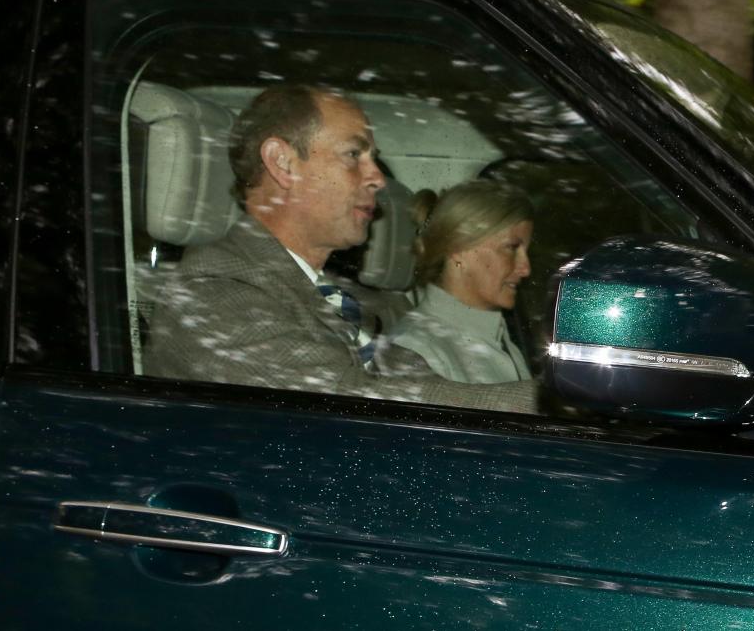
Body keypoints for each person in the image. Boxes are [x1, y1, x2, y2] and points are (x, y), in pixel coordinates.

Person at [145, 85, 538, 414]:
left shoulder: (333, 299)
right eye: (354, 155)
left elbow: (422, 386)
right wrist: (558, 400)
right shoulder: (214, 293)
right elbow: (352, 402)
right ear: (282, 163)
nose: (378, 179)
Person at [389, 180, 535, 384]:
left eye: (526, 252)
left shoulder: (499, 338)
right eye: (511, 248)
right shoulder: (417, 350)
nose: (525, 269)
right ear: (458, 250)